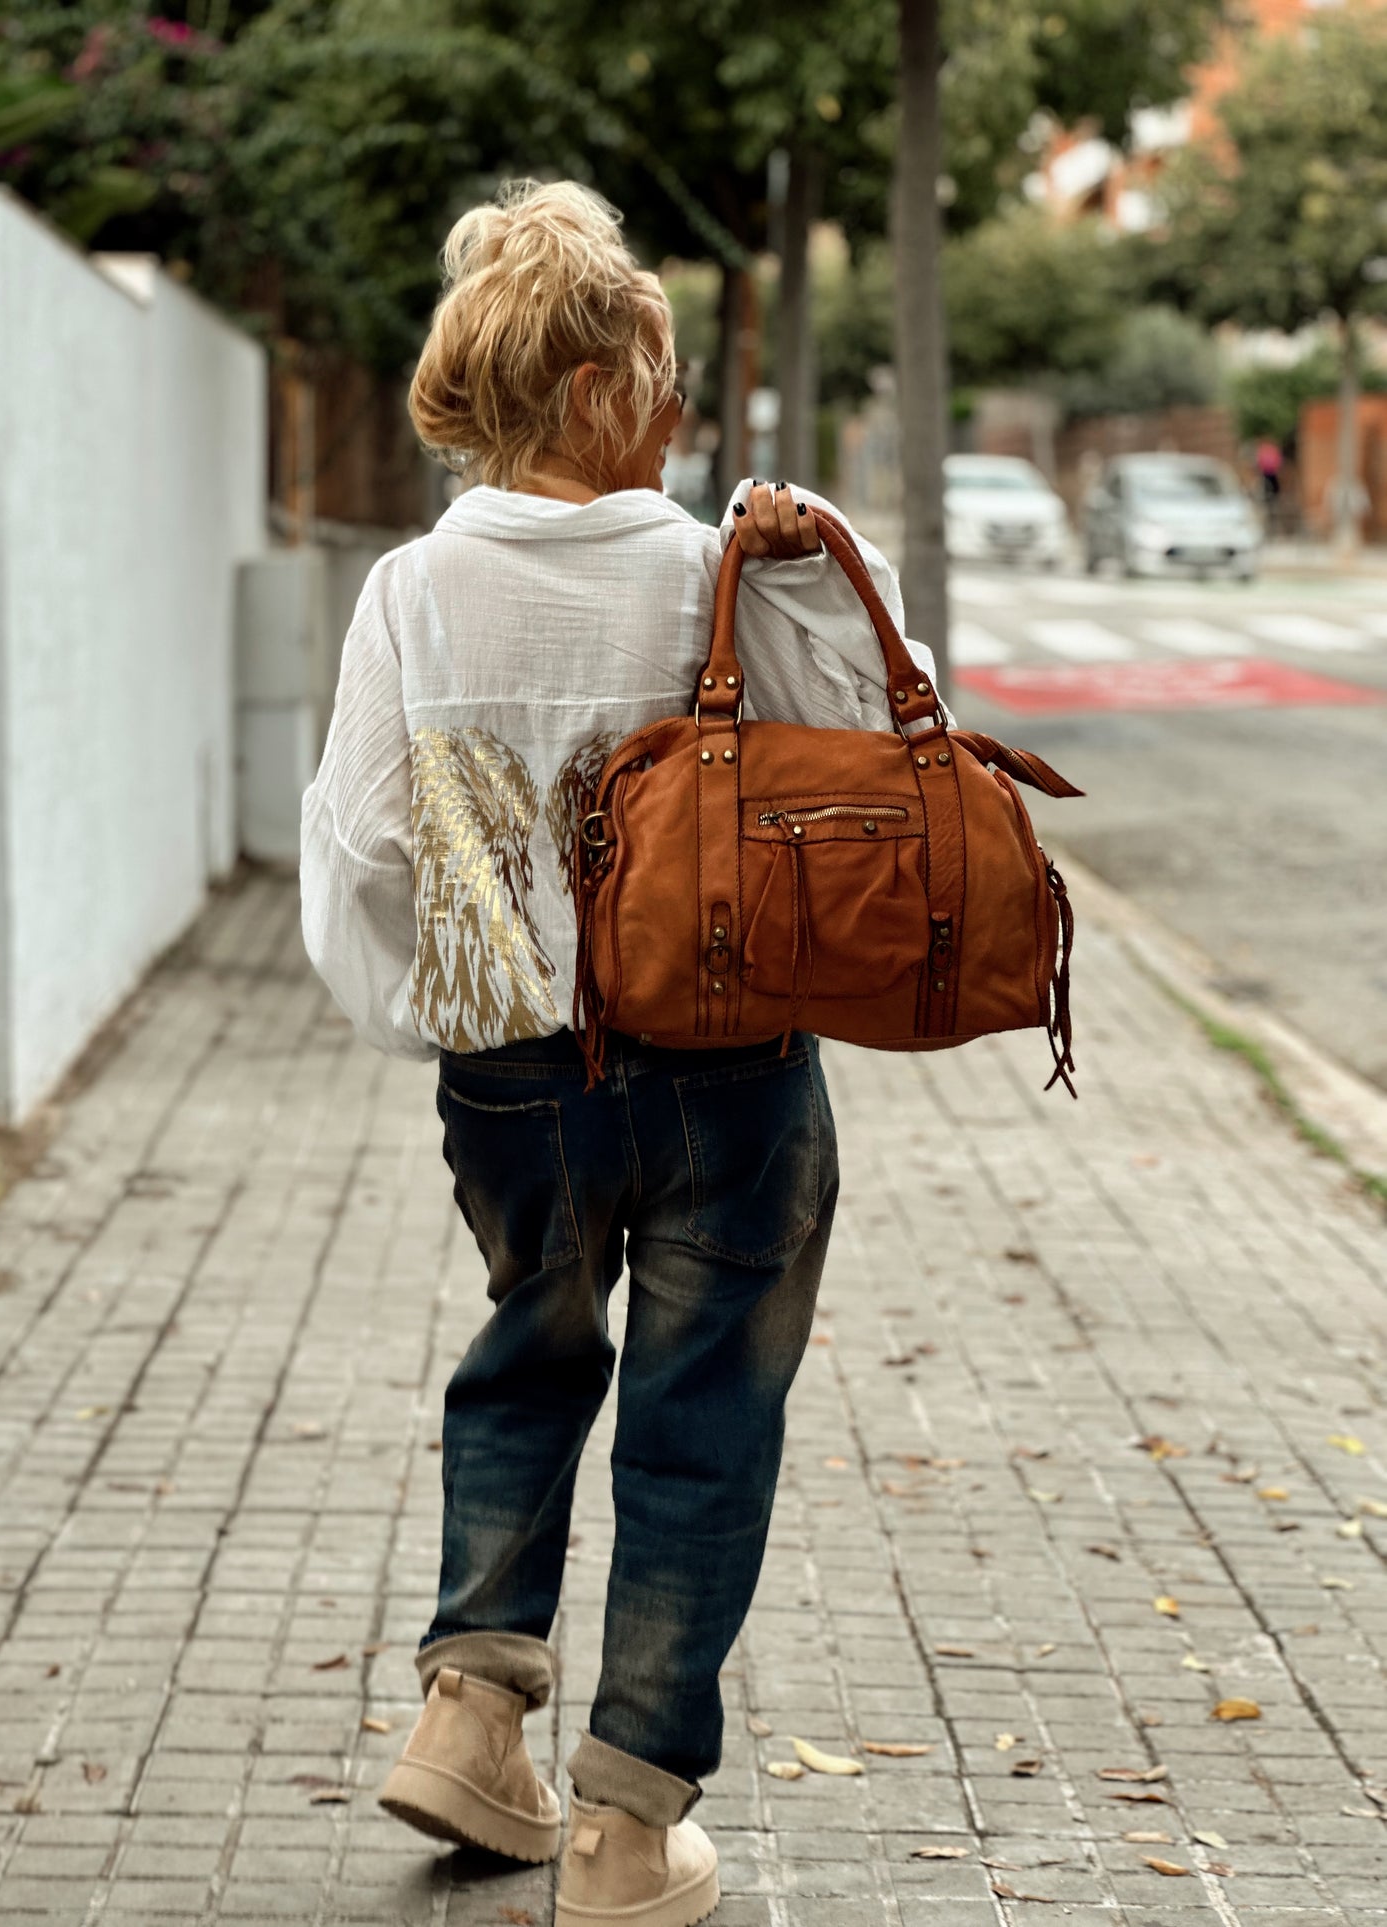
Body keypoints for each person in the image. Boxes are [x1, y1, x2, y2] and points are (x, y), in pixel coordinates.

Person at [299, 179, 948, 1927]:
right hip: (726, 1064)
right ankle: (623, 1828)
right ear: (597, 387)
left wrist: (435, 1000)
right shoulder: (713, 567)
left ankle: (467, 1713)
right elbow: (884, 746)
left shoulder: (415, 589)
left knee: (525, 1359)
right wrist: (831, 566)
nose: (674, 407)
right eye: (656, 372)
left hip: (510, 1074)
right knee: (697, 1417)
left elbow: (364, 841)